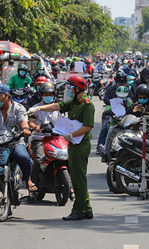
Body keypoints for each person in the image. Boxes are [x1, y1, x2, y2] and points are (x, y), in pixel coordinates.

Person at [28, 76, 95, 220]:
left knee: (78, 179)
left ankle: (78, 211)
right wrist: (38, 108)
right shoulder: (75, 102)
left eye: (70, 87)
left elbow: (88, 126)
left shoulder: (87, 105)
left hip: (80, 144)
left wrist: (71, 135)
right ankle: (87, 209)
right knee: (79, 178)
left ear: (78, 88)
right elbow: (57, 106)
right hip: (73, 143)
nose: (68, 90)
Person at [0, 84, 34, 196]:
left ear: (6, 96)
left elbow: (23, 123)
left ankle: (27, 179)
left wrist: (25, 129)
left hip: (14, 143)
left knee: (23, 157)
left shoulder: (18, 108)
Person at [27, 82, 61, 190]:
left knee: (67, 158)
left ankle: (70, 186)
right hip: (40, 138)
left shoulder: (58, 107)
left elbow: (64, 120)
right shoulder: (35, 108)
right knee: (38, 160)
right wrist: (35, 126)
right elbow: (30, 122)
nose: (48, 96)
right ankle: (32, 186)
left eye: (50, 94)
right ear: (41, 95)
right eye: (45, 94)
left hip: (56, 138)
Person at [98, 71, 133, 153]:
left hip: (125, 116)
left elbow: (132, 102)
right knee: (104, 129)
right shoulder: (110, 89)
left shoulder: (128, 91)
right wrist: (114, 105)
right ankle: (101, 148)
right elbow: (105, 100)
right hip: (112, 113)